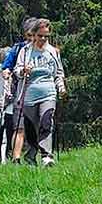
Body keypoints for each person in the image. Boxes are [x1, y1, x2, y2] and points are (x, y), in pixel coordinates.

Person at [9, 18, 67, 166]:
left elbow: (59, 73)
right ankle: (30, 155)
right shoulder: (25, 51)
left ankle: (46, 156)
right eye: (40, 35)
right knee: (31, 129)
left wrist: (61, 87)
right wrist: (23, 71)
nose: (43, 39)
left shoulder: (53, 52)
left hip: (48, 92)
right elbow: (16, 71)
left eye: (46, 36)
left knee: (46, 121)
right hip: (29, 94)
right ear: (34, 35)